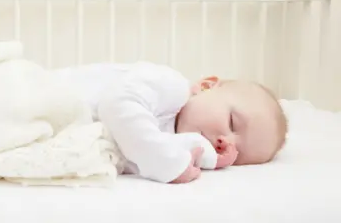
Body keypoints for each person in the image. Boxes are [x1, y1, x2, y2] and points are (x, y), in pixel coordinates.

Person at [51, 61, 287, 184]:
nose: (225, 142)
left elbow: (128, 151)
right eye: (232, 122)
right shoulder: (171, 86)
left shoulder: (174, 143)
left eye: (238, 154)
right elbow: (117, 105)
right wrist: (167, 164)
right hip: (42, 95)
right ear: (206, 86)